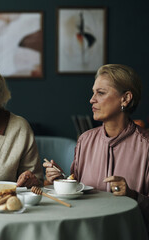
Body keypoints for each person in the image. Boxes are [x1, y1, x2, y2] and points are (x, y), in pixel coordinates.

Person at [43, 64, 149, 230]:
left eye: (100, 93)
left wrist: (132, 196)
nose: (92, 99)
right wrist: (58, 180)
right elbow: (75, 190)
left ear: (125, 98)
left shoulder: (146, 146)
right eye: (93, 93)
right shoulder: (85, 141)